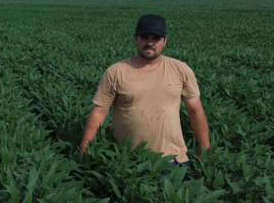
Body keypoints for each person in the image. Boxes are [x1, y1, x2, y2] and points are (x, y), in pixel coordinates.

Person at [79, 14, 210, 166]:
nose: (150, 43)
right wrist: (85, 146)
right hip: (127, 160)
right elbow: (99, 111)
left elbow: (195, 112)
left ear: (165, 41)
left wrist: (205, 148)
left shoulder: (181, 70)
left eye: (156, 38)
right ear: (135, 39)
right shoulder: (116, 71)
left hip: (173, 159)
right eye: (145, 37)